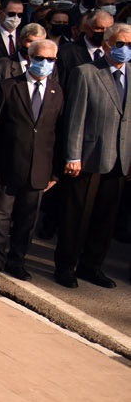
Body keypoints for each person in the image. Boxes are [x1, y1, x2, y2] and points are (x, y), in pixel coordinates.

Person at [57, 22, 131, 289]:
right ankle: (66, 265)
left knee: (105, 217)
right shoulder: (86, 73)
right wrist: (72, 155)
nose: (126, 50)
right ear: (108, 44)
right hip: (87, 156)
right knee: (76, 215)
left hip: (119, 157)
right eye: (120, 44)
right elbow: (75, 118)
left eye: (130, 45)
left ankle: (92, 265)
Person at [0, 39, 62, 281]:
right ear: (29, 59)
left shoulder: (57, 91)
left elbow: (58, 132)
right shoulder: (8, 87)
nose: (44, 64)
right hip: (8, 165)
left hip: (39, 169)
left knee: (27, 220)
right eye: (40, 58)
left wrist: (54, 172)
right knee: (0, 217)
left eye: (50, 60)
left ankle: (17, 261)